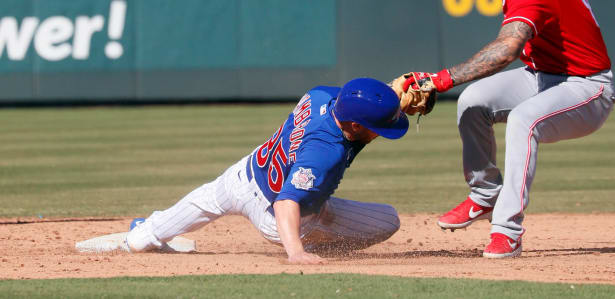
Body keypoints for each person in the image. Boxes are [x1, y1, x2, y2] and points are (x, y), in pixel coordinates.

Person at [370, 0, 615, 258]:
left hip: (587, 87)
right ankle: (484, 195)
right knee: (473, 102)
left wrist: (438, 80)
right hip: (543, 74)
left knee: (523, 121)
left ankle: (507, 231)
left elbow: (506, 50)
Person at [82, 78, 408, 264]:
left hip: (245, 173)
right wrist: (295, 253)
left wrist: (393, 102)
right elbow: (286, 203)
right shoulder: (326, 152)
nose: (380, 131)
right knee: (388, 221)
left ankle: (143, 235)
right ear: (354, 124)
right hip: (278, 215)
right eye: (378, 126)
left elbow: (360, 100)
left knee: (203, 202)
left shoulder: (322, 94)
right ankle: (305, 247)